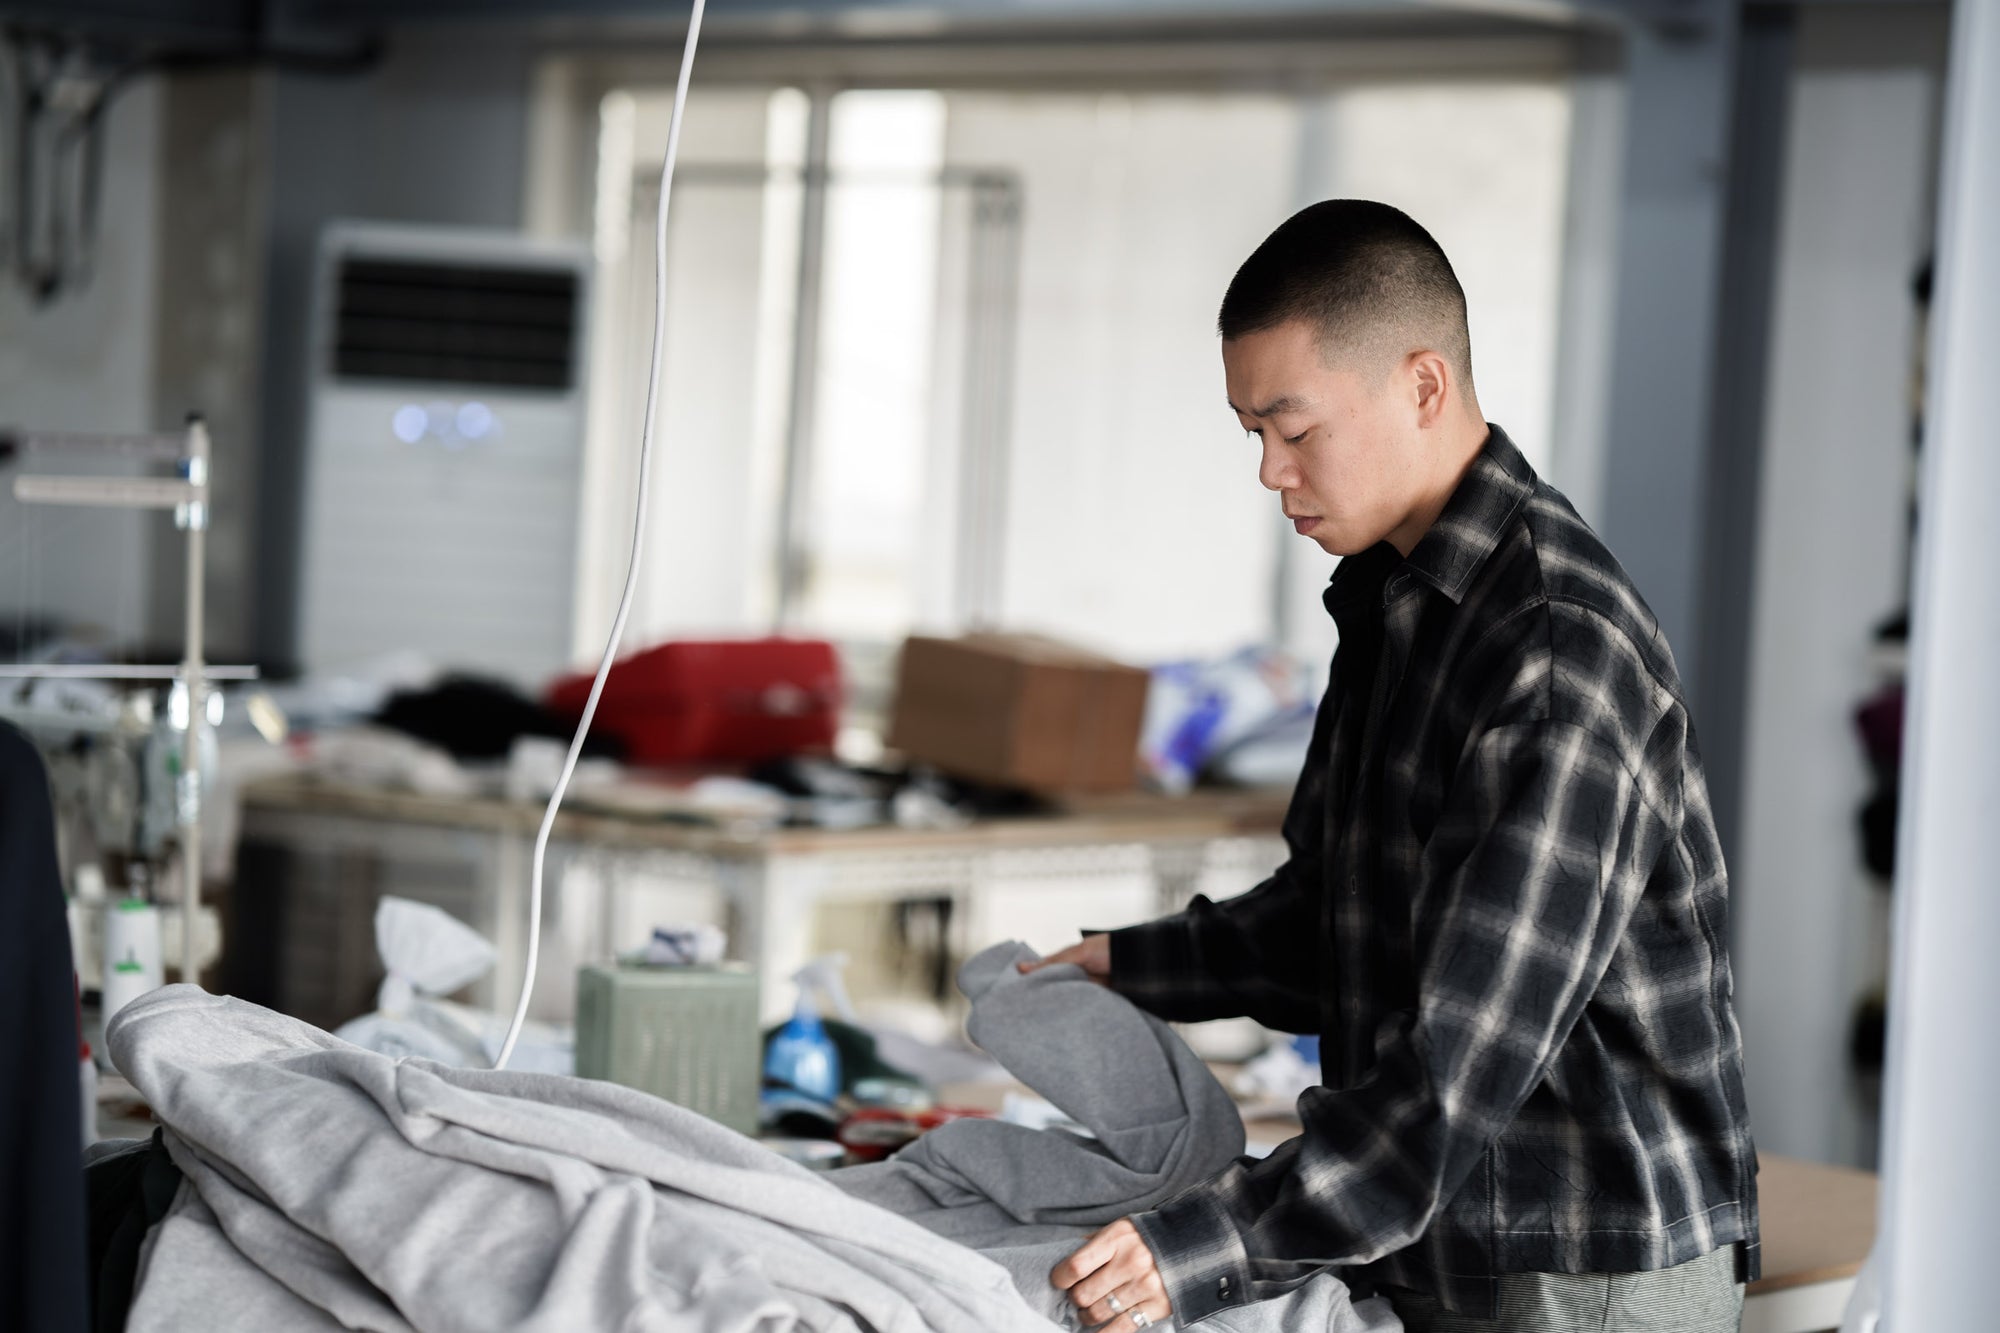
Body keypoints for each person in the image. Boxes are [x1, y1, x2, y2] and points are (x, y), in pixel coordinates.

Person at [1023, 200, 1759, 1333]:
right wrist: (1130, 964)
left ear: (1422, 386)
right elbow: (1343, 916)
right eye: (1250, 432)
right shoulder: (1394, 598)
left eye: (1293, 427)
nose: (1270, 471)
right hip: (1445, 1230)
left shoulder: (1552, 655)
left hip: (1577, 1268)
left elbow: (1458, 1067)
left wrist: (1209, 1244)